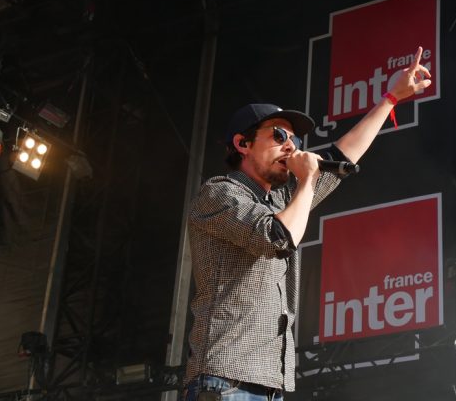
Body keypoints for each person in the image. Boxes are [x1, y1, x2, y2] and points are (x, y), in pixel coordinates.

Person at [181, 47, 432, 401]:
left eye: (296, 140)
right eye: (278, 136)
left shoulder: (284, 200)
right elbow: (277, 236)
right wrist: (308, 180)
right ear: (242, 144)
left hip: (269, 385)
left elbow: (342, 155)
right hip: (225, 380)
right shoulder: (220, 193)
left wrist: (391, 98)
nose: (291, 146)